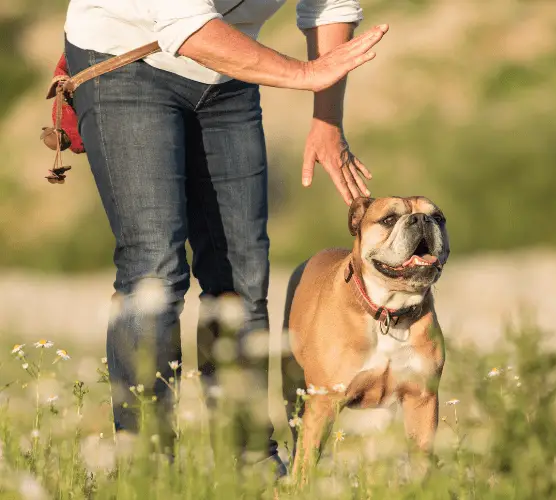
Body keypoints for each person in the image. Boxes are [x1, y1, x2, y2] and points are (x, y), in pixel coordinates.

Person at [61, 0, 387, 474]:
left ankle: (249, 462)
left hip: (225, 74)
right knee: (155, 266)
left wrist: (327, 119)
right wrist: (303, 74)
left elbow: (329, 4)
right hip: (124, 57)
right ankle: (145, 470)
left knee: (243, 275)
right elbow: (185, 24)